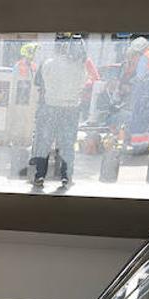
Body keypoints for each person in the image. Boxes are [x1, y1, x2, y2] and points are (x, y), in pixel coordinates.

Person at [30, 35, 86, 189]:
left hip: (50, 108)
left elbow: (39, 84)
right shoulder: (80, 66)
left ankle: (39, 176)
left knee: (44, 143)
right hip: (71, 110)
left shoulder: (48, 63)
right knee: (67, 144)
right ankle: (66, 177)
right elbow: (82, 85)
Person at [8, 42, 40, 146]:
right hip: (22, 99)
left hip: (27, 100)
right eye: (33, 52)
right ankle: (18, 139)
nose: (35, 55)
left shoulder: (31, 66)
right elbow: (23, 81)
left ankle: (24, 140)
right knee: (20, 120)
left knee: (26, 121)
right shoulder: (21, 65)